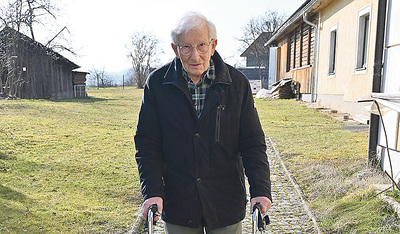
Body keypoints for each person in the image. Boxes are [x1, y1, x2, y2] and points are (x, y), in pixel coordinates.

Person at [135, 11, 272, 233]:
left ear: (213, 44)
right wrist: (152, 192)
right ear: (175, 49)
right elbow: (147, 144)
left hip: (225, 201)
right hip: (178, 202)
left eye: (201, 45)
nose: (195, 56)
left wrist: (261, 189)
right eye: (186, 47)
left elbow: (252, 143)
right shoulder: (157, 85)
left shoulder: (237, 85)